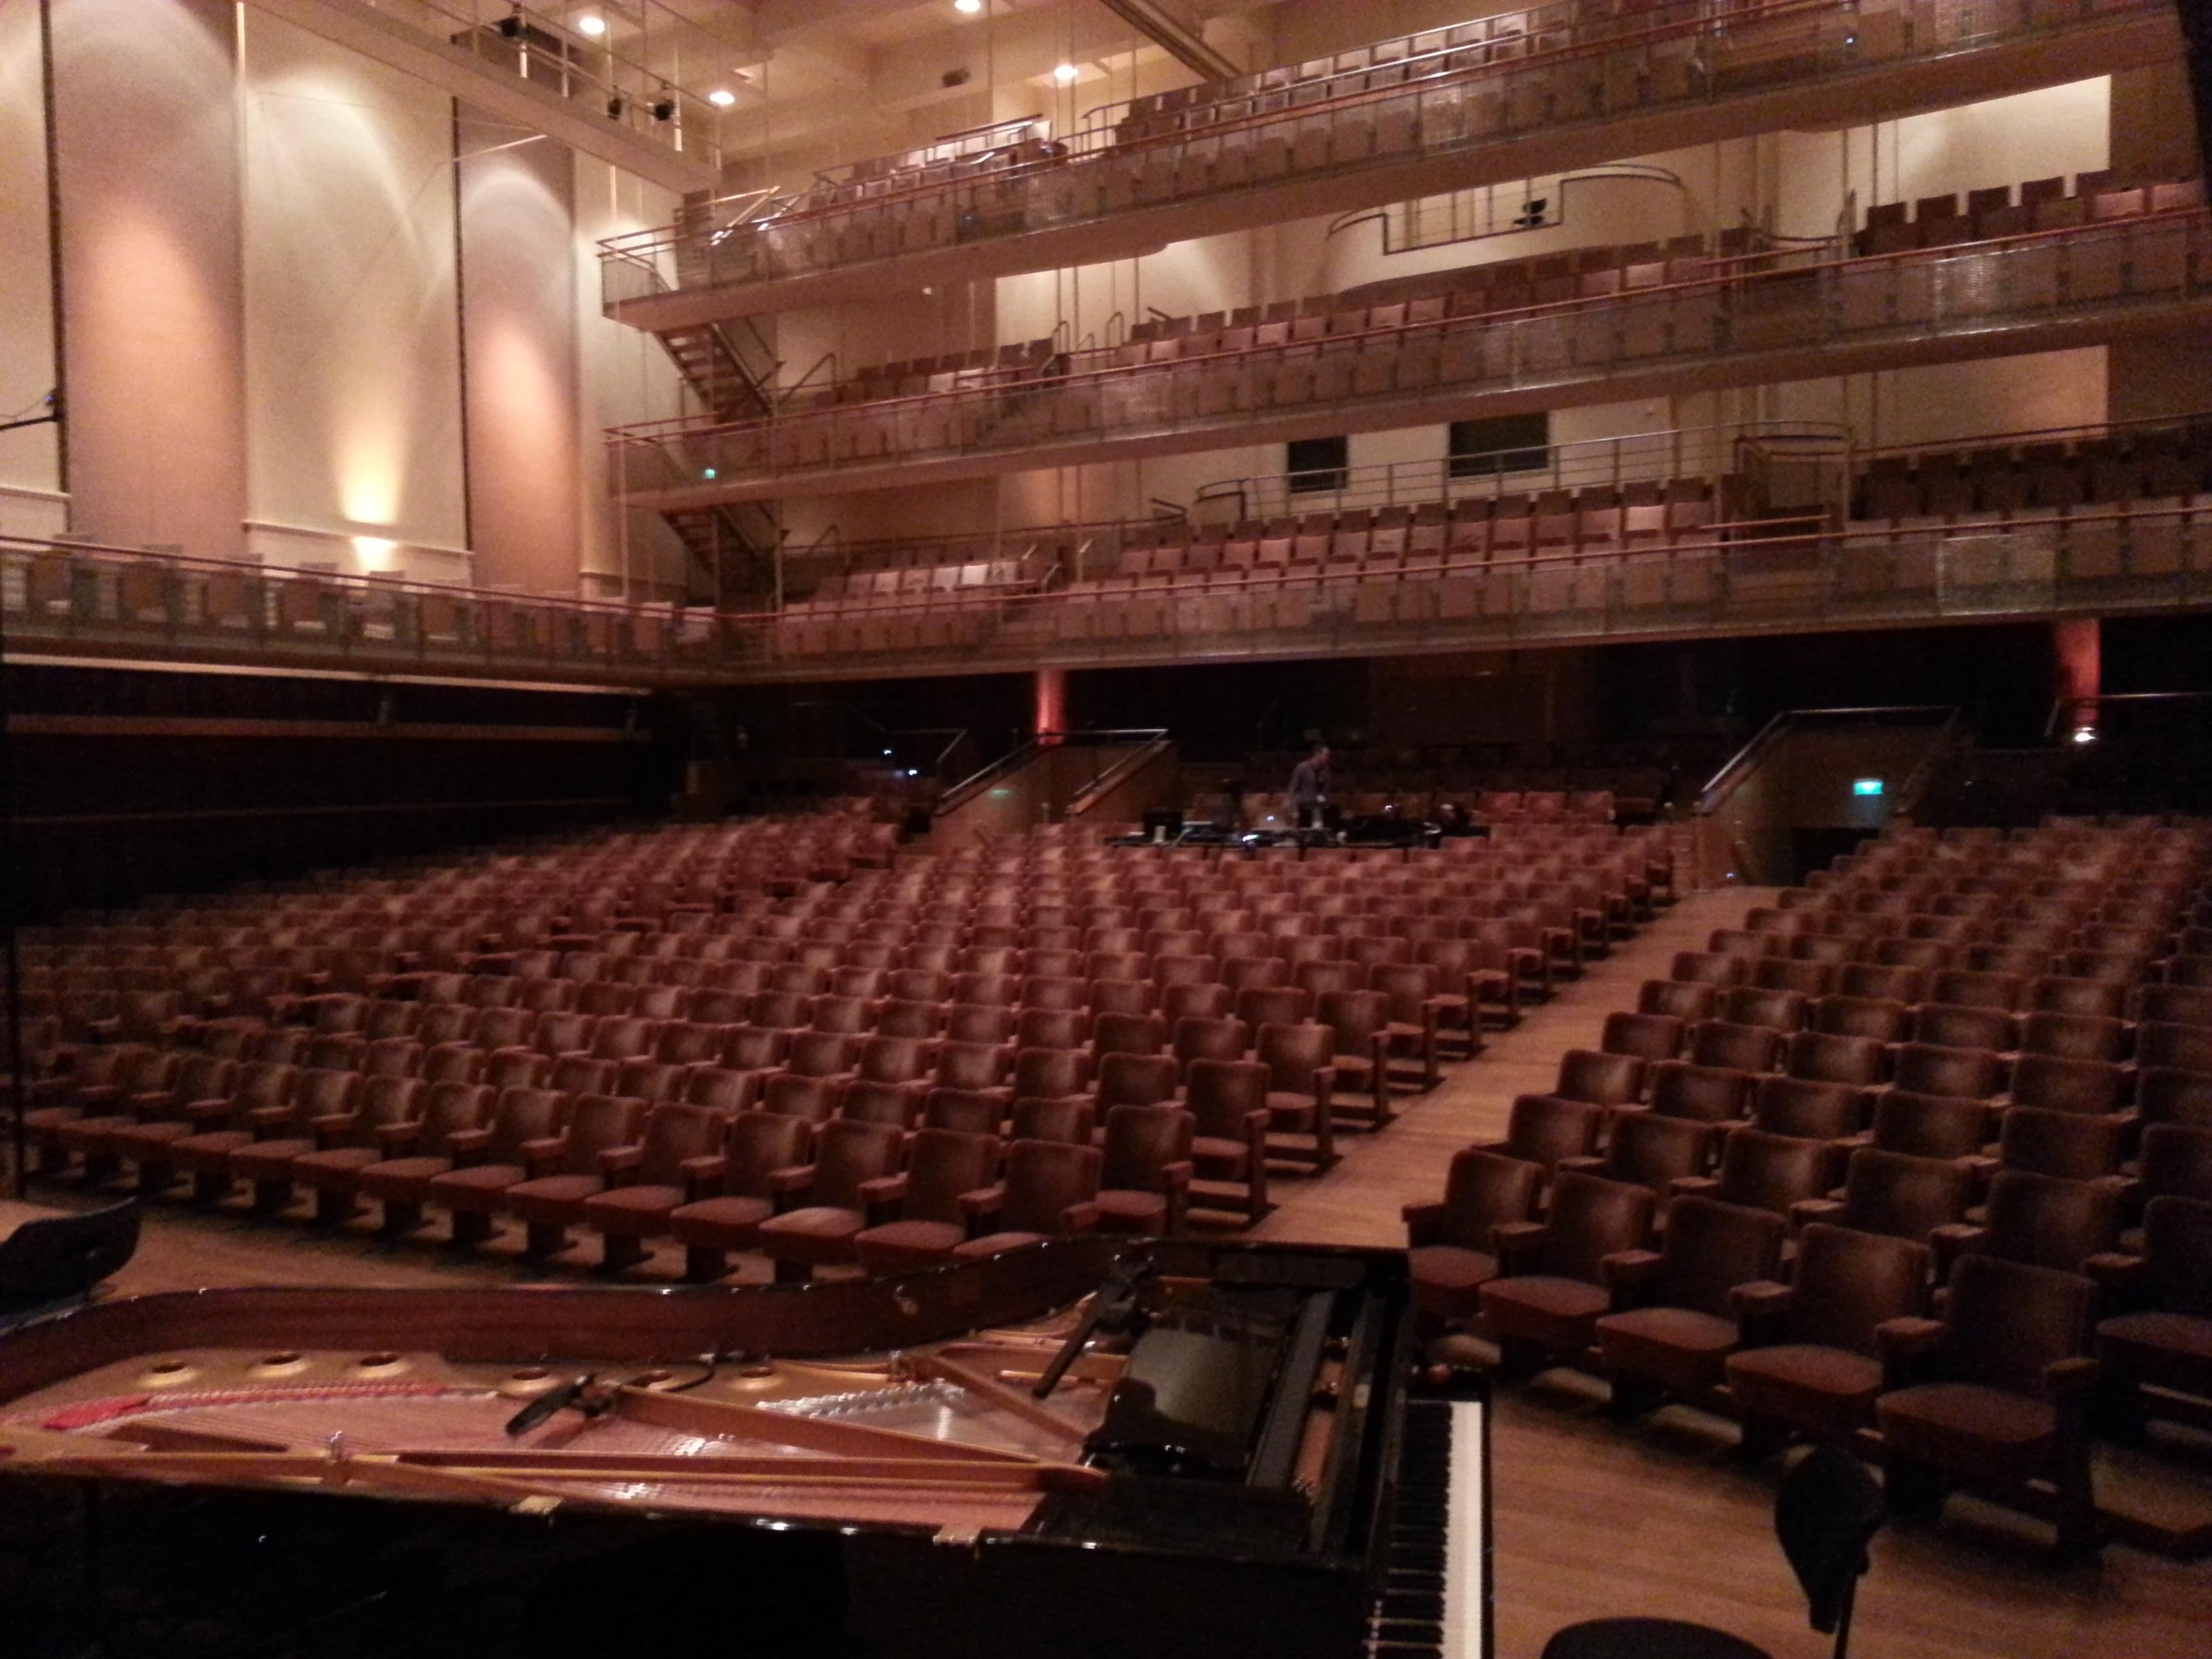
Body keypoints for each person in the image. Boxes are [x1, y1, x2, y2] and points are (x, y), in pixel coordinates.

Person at [1286, 741, 1331, 830]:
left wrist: (1324, 799)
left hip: (1319, 807)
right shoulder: (1302, 768)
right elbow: (1293, 789)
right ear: (1318, 754)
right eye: (1326, 755)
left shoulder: (1325, 770)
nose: (1327, 758)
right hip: (1303, 807)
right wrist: (1294, 810)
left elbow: (1326, 788)